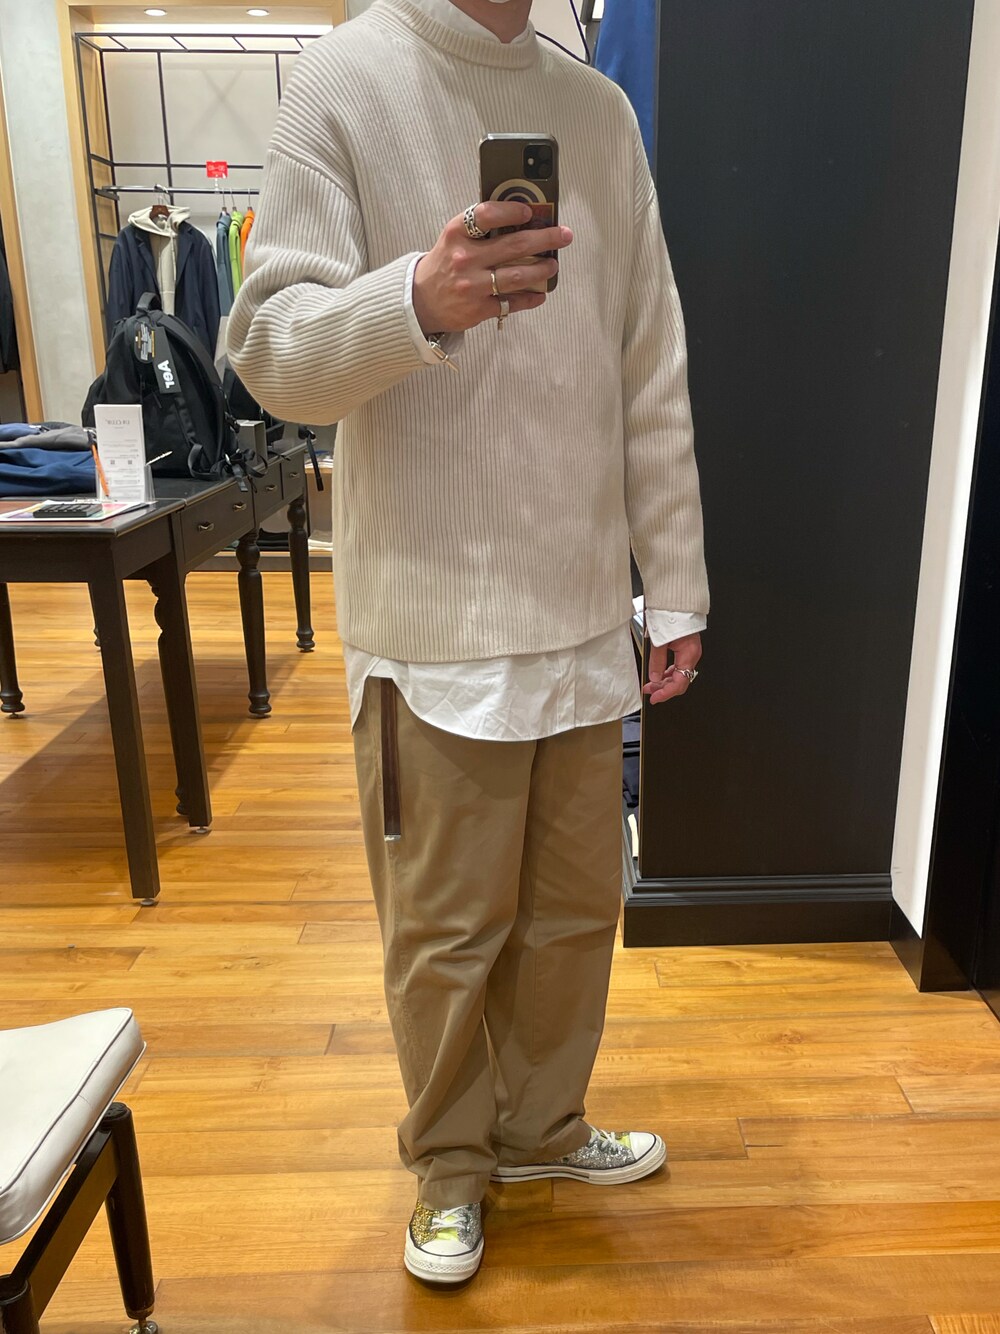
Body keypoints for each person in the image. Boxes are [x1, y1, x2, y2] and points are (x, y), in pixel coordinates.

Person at [228, 0, 709, 1287]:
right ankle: (448, 1164)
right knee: (444, 930)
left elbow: (649, 358)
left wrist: (674, 583)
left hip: (580, 608)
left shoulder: (598, 113)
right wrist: (413, 298)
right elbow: (268, 354)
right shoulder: (342, 79)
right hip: (432, 618)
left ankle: (540, 1130)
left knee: (572, 914)